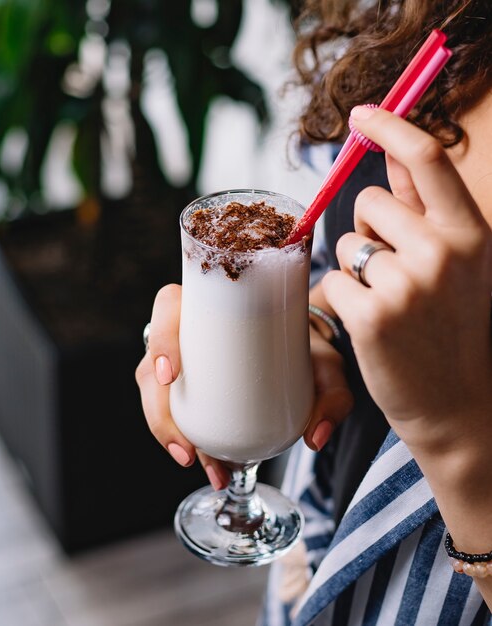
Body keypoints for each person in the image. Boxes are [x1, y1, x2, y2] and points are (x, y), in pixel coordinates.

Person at [135, 0, 492, 623]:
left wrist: (459, 442)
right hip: (325, 528)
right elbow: (347, 263)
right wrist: (317, 320)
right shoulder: (442, 15)